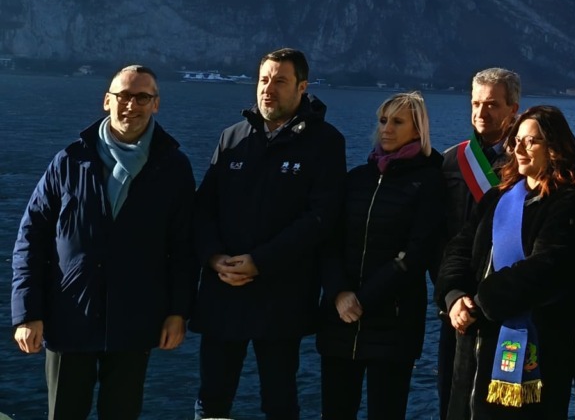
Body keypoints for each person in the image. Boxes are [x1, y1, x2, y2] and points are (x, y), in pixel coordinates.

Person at [10, 64, 195, 420]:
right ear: (106, 101)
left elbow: (184, 248)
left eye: (143, 97)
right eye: (123, 96)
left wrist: (177, 312)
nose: (132, 105)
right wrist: (28, 313)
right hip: (69, 319)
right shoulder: (70, 161)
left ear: (156, 104)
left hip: (135, 321)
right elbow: (30, 239)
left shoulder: (172, 167)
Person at [191, 47, 346, 420]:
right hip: (223, 290)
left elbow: (321, 218)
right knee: (212, 397)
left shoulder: (325, 142)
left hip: (282, 296)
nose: (268, 89)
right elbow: (201, 210)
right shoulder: (232, 138)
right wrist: (213, 258)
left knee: (279, 399)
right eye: (263, 80)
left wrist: (261, 261)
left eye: (280, 81)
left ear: (302, 87)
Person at [438, 105, 575, 419]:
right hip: (473, 349)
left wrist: (480, 304)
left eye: (531, 142)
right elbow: (459, 250)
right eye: (517, 141)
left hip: (535, 347)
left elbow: (547, 267)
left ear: (554, 148)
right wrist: (453, 296)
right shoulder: (497, 197)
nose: (519, 149)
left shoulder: (568, 202)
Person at [317, 92, 447, 420]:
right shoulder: (356, 180)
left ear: (418, 130)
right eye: (383, 120)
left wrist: (363, 298)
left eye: (397, 122)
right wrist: (339, 293)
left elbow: (417, 252)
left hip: (395, 323)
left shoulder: (429, 183)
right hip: (340, 321)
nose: (386, 129)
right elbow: (329, 241)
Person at [439, 67, 522, 416]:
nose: (480, 113)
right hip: (457, 305)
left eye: (491, 105)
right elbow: (437, 237)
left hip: (509, 307)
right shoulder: (450, 162)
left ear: (513, 109)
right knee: (453, 398)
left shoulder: (527, 161)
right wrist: (451, 294)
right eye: (475, 103)